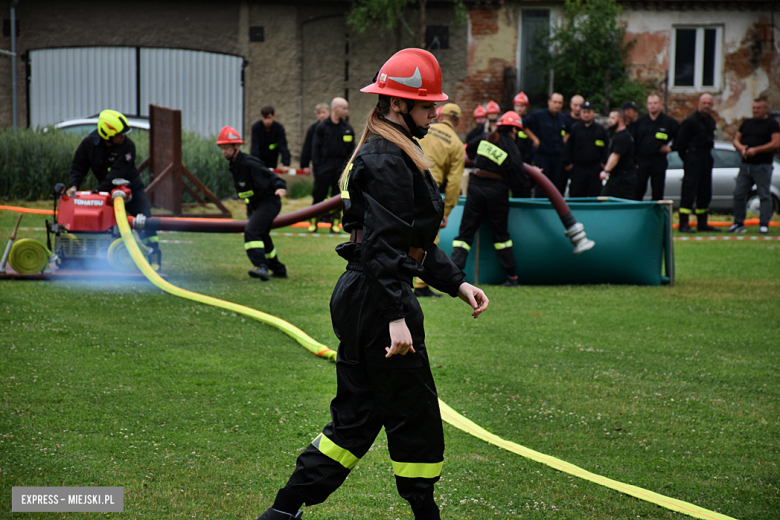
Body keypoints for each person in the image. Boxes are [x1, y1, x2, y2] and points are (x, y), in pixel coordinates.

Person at [255, 48, 489, 520]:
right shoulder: (387, 157)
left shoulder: (393, 149)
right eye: (427, 106)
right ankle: (425, 512)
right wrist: (398, 317)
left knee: (356, 421)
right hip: (381, 301)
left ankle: (283, 511)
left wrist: (457, 283)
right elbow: (385, 246)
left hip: (367, 295)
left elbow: (411, 240)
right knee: (415, 414)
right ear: (398, 105)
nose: (436, 113)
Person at [67, 109, 160, 264]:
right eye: (119, 134)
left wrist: (97, 192)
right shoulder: (88, 144)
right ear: (106, 135)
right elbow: (78, 166)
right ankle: (98, 258)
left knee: (144, 219)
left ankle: (153, 254)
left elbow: (116, 174)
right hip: (106, 192)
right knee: (104, 224)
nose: (123, 137)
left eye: (124, 133)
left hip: (131, 190)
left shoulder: (128, 146)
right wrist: (74, 186)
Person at [451, 111, 527, 287]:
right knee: (501, 236)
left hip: (476, 187)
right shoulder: (511, 146)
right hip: (497, 192)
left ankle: (453, 275)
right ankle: (512, 277)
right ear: (514, 131)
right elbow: (519, 177)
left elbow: (469, 149)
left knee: (465, 234)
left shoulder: (486, 137)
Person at [217, 126, 288, 280]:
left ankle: (261, 266)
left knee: (251, 230)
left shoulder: (248, 162)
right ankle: (278, 269)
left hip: (269, 202)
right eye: (222, 148)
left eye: (227, 148)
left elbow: (269, 175)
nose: (224, 152)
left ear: (237, 147)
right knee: (262, 235)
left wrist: (281, 187)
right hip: (254, 204)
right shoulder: (234, 164)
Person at [414, 102, 466, 297]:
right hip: (429, 190)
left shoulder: (424, 129)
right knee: (428, 238)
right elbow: (454, 183)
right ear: (458, 121)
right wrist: (447, 210)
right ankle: (421, 285)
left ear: (440, 116)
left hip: (406, 181)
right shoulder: (456, 144)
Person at [729, 98, 780, 234]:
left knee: (764, 194)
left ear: (765, 109)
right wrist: (741, 148)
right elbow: (736, 139)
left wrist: (756, 150)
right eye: (754, 108)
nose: (755, 110)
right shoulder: (747, 123)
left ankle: (764, 224)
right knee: (739, 194)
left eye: (758, 108)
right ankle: (738, 223)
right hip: (746, 165)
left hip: (762, 165)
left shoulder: (772, 124)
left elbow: (776, 143)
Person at [673, 93, 720, 233]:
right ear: (699, 104)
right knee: (689, 190)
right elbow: (679, 143)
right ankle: (683, 223)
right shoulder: (690, 121)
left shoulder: (711, 121)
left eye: (709, 103)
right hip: (693, 158)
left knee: (705, 192)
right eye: (704, 103)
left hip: (706, 158)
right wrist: (688, 159)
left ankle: (702, 222)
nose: (706, 106)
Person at [308, 97, 355, 233]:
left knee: (338, 196)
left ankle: (334, 223)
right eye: (344, 108)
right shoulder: (321, 127)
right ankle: (313, 222)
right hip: (324, 166)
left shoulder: (347, 128)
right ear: (335, 109)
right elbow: (315, 148)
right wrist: (317, 167)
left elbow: (352, 150)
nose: (346, 111)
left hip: (340, 167)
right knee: (318, 194)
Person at [632, 94, 679, 201]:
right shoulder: (641, 121)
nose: (652, 106)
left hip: (658, 161)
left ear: (661, 105)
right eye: (650, 103)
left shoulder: (669, 122)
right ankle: (637, 215)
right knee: (638, 191)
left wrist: (672, 148)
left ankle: (656, 216)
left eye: (655, 103)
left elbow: (681, 137)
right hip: (642, 162)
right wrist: (634, 161)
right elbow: (633, 142)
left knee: (658, 192)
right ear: (647, 106)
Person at [524, 92, 567, 194]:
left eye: (560, 103)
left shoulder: (562, 118)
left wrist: (565, 138)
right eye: (555, 102)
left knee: (555, 185)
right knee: (542, 184)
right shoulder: (538, 115)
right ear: (549, 102)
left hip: (556, 156)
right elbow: (523, 125)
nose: (557, 105)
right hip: (542, 155)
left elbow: (570, 130)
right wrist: (534, 139)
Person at [564, 101, 609, 197]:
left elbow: (606, 147)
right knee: (576, 195)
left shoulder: (600, 130)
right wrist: (568, 163)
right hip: (578, 168)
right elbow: (567, 147)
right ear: (580, 113)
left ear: (593, 113)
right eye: (584, 112)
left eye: (589, 112)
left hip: (595, 168)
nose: (586, 115)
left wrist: (604, 163)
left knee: (595, 195)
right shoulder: (574, 129)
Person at [599, 109, 636, 199]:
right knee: (604, 199)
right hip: (616, 177)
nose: (609, 121)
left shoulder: (623, 137)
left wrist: (606, 171)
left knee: (624, 203)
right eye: (609, 117)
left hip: (624, 178)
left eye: (612, 118)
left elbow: (615, 156)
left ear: (620, 120)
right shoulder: (615, 135)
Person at [251, 105, 291, 171]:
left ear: (274, 117)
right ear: (261, 117)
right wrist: (255, 163)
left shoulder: (279, 128)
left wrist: (286, 164)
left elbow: (283, 146)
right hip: (260, 155)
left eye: (269, 118)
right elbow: (255, 146)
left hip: (273, 157)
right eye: (265, 118)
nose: (267, 121)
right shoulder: (256, 127)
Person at [299, 103, 330, 171]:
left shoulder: (334, 127)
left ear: (329, 113)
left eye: (323, 112)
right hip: (318, 163)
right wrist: (305, 165)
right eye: (319, 113)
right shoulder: (313, 128)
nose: (322, 115)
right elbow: (307, 146)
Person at [512, 91, 539, 164]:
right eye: (517, 106)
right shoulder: (511, 120)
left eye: (522, 106)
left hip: (527, 153)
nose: (519, 109)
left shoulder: (530, 120)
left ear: (526, 107)